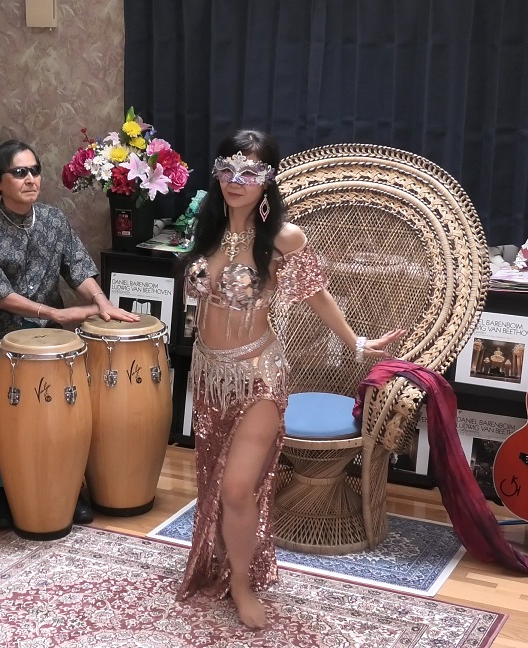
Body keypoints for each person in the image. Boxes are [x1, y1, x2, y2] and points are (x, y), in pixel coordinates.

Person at [177, 130, 404, 628]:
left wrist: (355, 342)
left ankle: (242, 582)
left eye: (249, 172)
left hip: (258, 375)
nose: (236, 180)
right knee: (214, 479)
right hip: (208, 375)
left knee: (238, 488)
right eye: (227, 169)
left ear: (268, 180)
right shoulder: (207, 228)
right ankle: (224, 557)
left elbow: (317, 294)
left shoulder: (283, 238)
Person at [0, 138, 138, 530]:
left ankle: (70, 484)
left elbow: (79, 268)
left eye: (35, 171)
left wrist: (101, 301)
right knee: (1, 389)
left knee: (72, 390)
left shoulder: (54, 220)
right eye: (19, 172)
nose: (30, 179)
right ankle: (4, 489)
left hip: (48, 332)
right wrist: (55, 312)